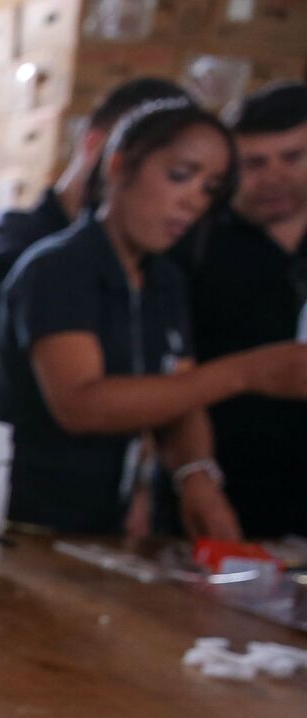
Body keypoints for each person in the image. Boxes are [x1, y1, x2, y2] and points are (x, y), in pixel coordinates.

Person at [0, 99, 307, 540]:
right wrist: (248, 373)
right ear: (118, 166)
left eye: (210, 187)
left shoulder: (164, 279)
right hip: (27, 524)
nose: (193, 200)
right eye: (180, 175)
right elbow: (80, 404)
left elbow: (179, 393)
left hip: (107, 529)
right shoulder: (58, 268)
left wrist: (196, 475)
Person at [0, 78, 192, 418]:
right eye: (177, 173)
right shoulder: (16, 252)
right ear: (100, 149)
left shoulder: (152, 270)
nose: (190, 197)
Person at [182, 81, 307, 538]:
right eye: (255, 164)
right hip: (221, 493)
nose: (273, 177)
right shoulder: (193, 246)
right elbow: (168, 371)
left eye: (292, 158)